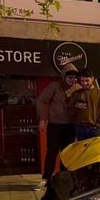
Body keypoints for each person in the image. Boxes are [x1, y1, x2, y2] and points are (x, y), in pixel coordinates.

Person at [33, 63, 80, 191]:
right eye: (69, 77)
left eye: (75, 78)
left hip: (70, 126)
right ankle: (46, 179)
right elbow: (41, 100)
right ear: (64, 76)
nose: (72, 80)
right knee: (52, 153)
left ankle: (64, 180)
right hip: (55, 126)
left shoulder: (78, 88)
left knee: (67, 154)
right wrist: (43, 118)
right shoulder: (55, 86)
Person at [68, 68, 100, 140]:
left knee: (95, 151)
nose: (84, 83)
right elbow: (69, 112)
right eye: (82, 81)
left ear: (92, 79)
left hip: (95, 129)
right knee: (82, 151)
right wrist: (76, 107)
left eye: (87, 80)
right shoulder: (76, 94)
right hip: (79, 129)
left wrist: (97, 126)